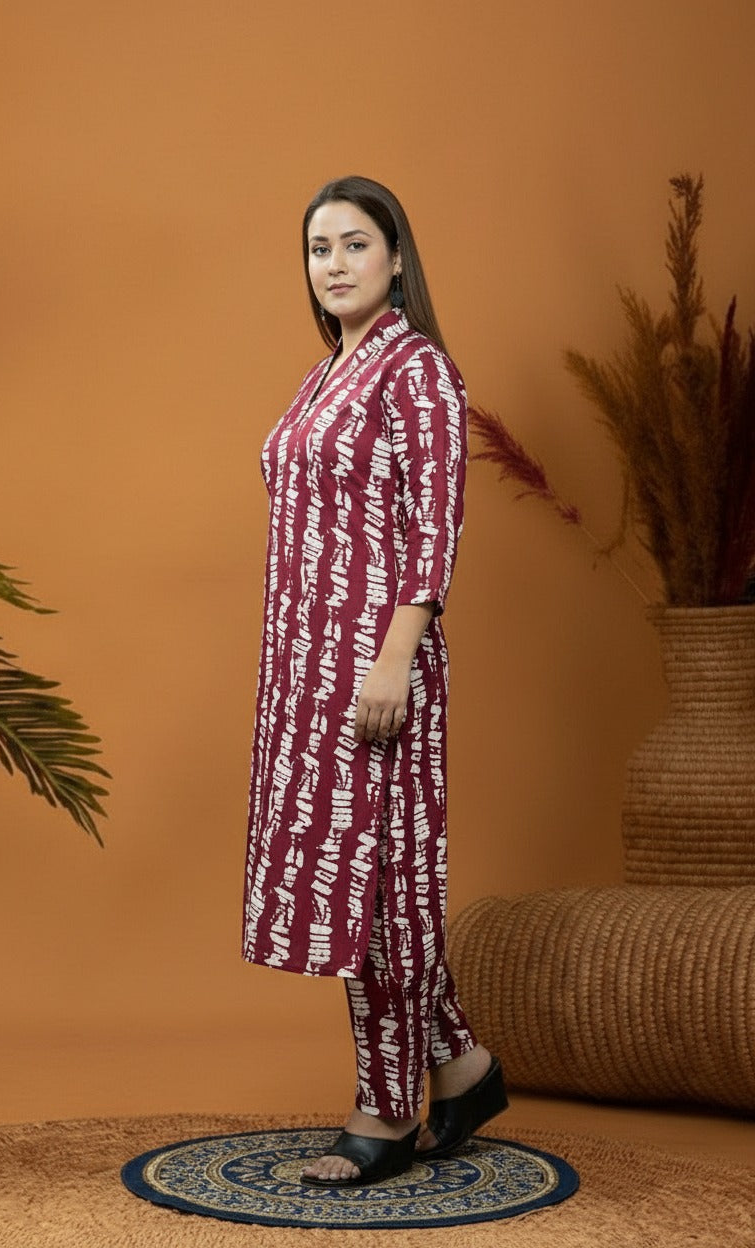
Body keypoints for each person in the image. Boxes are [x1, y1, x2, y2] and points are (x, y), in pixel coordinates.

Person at [242, 175, 507, 1187]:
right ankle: (464, 1070)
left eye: (356, 243)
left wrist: (395, 656)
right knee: (353, 880)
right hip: (306, 674)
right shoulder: (327, 375)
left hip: (376, 669)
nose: (336, 263)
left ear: (397, 259)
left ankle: (387, 1112)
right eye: (320, 248)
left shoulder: (418, 370)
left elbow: (435, 527)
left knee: (384, 890)